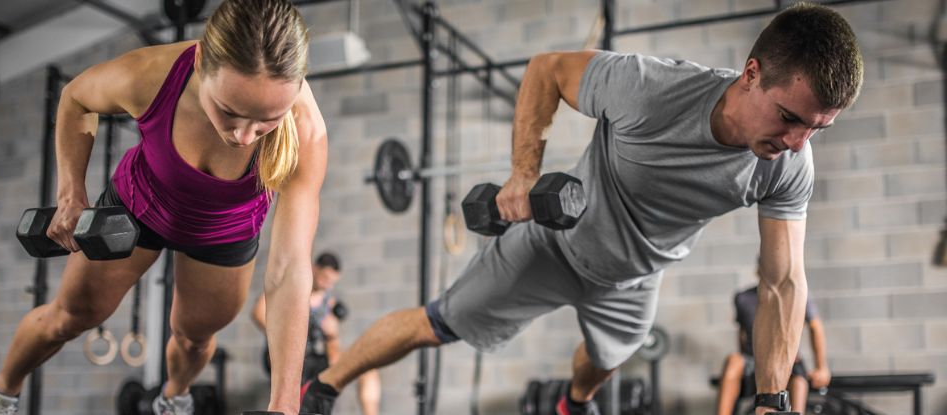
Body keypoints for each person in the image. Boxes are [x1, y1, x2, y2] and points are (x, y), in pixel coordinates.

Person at [301, 3, 862, 415]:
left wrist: (772, 399)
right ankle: (323, 386)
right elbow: (547, 69)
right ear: (752, 72)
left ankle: (574, 403)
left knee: (604, 361)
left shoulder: (788, 165)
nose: (797, 142)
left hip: (634, 280)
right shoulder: (650, 89)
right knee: (437, 323)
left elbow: (783, 284)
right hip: (552, 245)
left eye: (816, 130)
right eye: (790, 117)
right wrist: (523, 174)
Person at [0, 1, 327, 414]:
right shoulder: (151, 75)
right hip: (139, 207)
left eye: (266, 120)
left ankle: (174, 398)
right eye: (230, 112)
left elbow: (289, 269)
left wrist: (284, 404)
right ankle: (0, 394)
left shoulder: (306, 130)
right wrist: (71, 193)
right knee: (69, 317)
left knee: (195, 338)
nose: (246, 136)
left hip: (224, 231)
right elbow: (75, 99)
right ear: (200, 62)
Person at [252, 252, 382, 415]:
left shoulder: (329, 302)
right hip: (283, 353)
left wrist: (332, 336)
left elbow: (333, 356)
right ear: (314, 268)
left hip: (314, 357)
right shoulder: (292, 288)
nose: (328, 285)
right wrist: (285, 336)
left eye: (332, 282)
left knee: (367, 368)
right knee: (294, 367)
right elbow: (258, 312)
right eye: (325, 279)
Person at [716, 262, 831, 415]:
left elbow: (815, 327)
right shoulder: (743, 298)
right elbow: (742, 333)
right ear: (758, 269)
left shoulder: (797, 293)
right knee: (733, 360)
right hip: (754, 361)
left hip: (789, 360)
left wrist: (821, 367)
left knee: (798, 382)